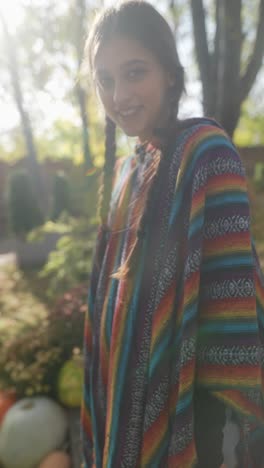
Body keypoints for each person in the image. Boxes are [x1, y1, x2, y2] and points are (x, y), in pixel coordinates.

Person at [80, 1, 264, 467]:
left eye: (135, 72)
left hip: (194, 415)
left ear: (170, 74)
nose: (119, 94)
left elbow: (232, 304)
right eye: (105, 79)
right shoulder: (125, 173)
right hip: (123, 402)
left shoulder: (207, 155)